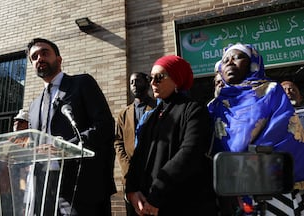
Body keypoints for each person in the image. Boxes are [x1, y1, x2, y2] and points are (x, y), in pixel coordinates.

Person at [208, 43, 304, 215]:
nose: (229, 62)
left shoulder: (271, 91)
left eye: (237, 57)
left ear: (253, 63)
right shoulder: (214, 106)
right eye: (225, 60)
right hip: (229, 189)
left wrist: (245, 165)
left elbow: (282, 129)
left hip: (270, 186)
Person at [26, 38, 116, 215]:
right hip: (45, 191)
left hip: (81, 187)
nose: (39, 59)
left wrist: (64, 147)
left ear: (59, 59)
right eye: (34, 57)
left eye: (44, 53)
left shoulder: (81, 83)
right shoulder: (34, 105)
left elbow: (104, 125)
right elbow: (36, 143)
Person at [125, 55, 218, 216]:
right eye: (150, 77)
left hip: (180, 204)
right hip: (147, 205)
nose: (152, 83)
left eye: (159, 77)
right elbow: (138, 157)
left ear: (176, 79)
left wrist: (157, 192)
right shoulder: (151, 117)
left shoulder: (193, 110)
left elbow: (189, 153)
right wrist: (131, 191)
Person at [114, 72, 156, 216]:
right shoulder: (124, 114)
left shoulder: (158, 107)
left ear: (147, 82)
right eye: (131, 82)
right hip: (131, 177)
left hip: (153, 175)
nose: (134, 85)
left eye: (137, 81)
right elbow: (118, 143)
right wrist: (127, 168)